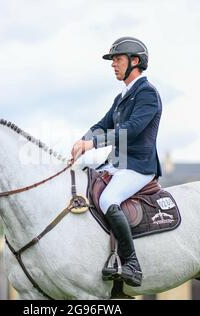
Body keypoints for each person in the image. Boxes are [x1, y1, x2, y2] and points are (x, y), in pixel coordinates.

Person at [70, 36, 163, 287]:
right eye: (113, 60)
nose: (113, 64)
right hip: (117, 164)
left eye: (118, 59)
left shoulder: (147, 94)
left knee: (108, 199)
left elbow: (131, 130)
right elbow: (102, 125)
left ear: (135, 61)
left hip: (138, 167)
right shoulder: (122, 97)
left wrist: (93, 144)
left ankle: (132, 262)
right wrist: (83, 141)